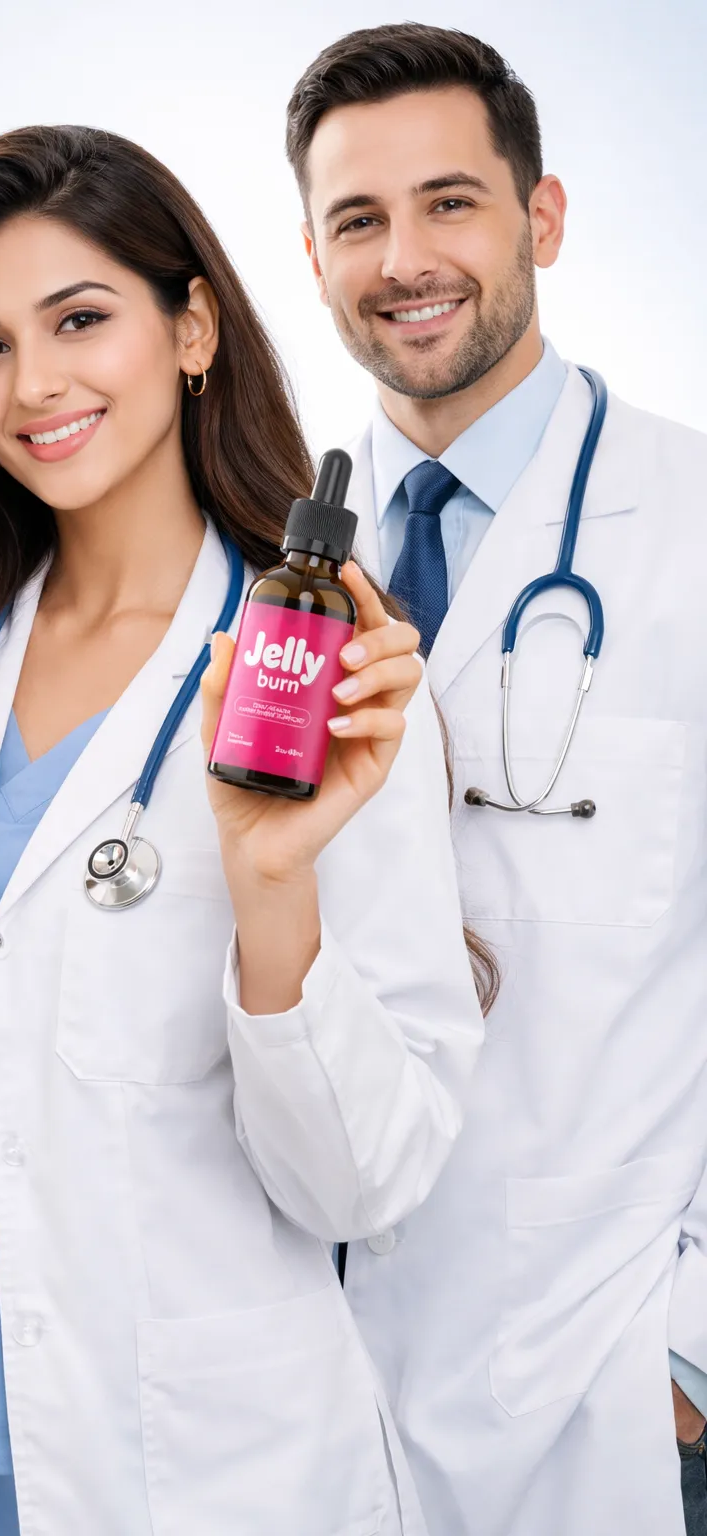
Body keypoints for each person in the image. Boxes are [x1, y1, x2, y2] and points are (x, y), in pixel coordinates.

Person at [0, 125, 489, 1535]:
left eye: (80, 319)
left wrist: (271, 887)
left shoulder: (325, 684)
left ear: (192, 326)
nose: (34, 384)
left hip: (208, 1478)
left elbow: (364, 1182)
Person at [285, 21, 707, 1536]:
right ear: (313, 256)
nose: (405, 257)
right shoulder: (254, 589)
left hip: (616, 1414)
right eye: (357, 220)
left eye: (450, 203)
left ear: (542, 218)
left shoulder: (693, 530)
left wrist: (691, 1359)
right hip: (310, 1418)